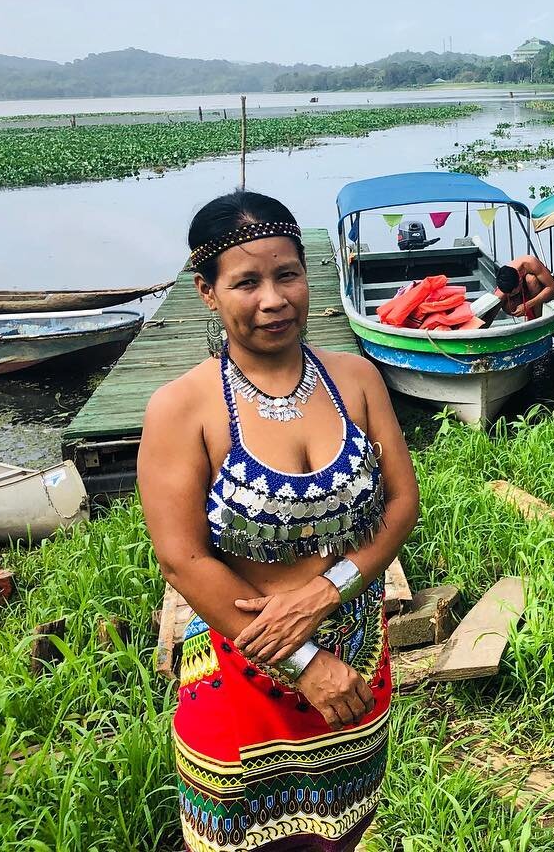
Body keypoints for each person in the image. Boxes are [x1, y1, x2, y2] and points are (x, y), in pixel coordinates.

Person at [137, 190, 420, 852]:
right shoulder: (183, 408)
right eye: (247, 281)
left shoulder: (356, 379)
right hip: (244, 676)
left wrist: (331, 588)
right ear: (207, 292)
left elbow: (402, 504)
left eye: (287, 274)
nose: (274, 298)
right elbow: (183, 559)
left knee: (342, 832)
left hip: (357, 667)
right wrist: (302, 660)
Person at [493, 253, 554, 320]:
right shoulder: (504, 286)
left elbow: (553, 288)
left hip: (546, 290)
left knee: (531, 280)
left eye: (513, 293)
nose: (511, 294)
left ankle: (536, 320)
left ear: (520, 280)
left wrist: (527, 305)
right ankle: (530, 316)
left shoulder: (529, 262)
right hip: (523, 294)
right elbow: (489, 314)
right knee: (505, 303)